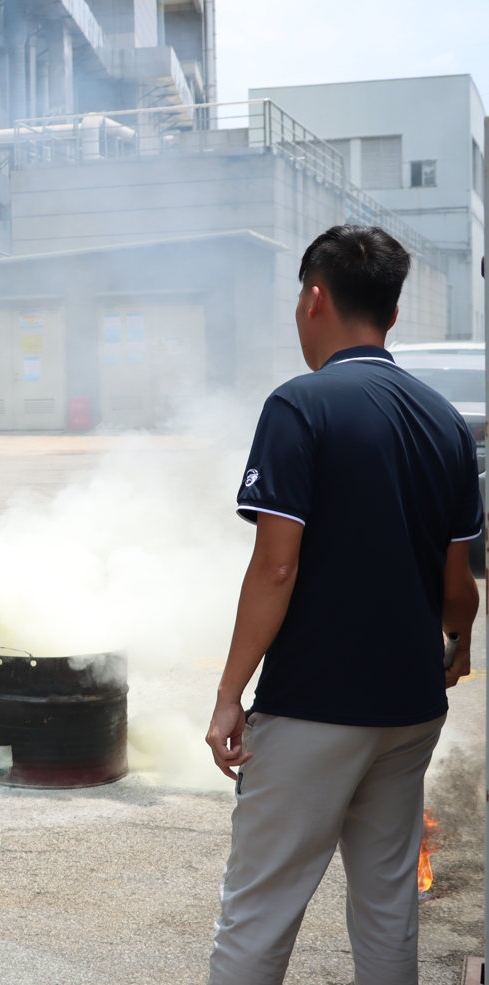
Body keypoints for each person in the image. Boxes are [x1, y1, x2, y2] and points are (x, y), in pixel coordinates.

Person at [205, 226, 483, 985]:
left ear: (315, 298)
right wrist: (458, 641)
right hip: (410, 708)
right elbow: (460, 589)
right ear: (392, 314)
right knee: (389, 908)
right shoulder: (446, 424)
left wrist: (231, 693)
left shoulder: (300, 405)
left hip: (314, 707)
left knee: (259, 911)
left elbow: (275, 566)